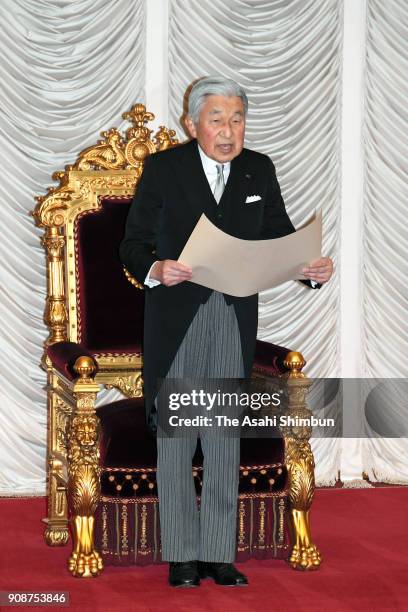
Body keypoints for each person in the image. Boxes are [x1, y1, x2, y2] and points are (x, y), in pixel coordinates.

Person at [120, 76, 333, 588]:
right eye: (217, 119)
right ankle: (181, 556)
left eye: (237, 118)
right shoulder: (164, 169)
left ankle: (218, 552)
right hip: (177, 319)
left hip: (231, 318)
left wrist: (309, 268)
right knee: (176, 438)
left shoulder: (258, 168)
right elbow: (132, 244)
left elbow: (280, 237)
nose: (228, 130)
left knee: (222, 438)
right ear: (192, 124)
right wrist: (157, 267)